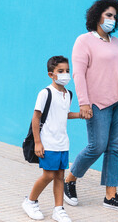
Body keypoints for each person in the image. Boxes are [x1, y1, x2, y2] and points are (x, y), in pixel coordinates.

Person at [63, 0, 118, 214]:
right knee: (97, 146)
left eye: (115, 16)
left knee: (115, 148)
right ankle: (70, 179)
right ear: (97, 16)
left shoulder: (117, 42)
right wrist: (84, 103)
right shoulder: (83, 41)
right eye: (108, 15)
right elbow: (79, 74)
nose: (112, 19)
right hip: (98, 103)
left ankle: (111, 196)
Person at [22, 56, 80, 222]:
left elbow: (64, 115)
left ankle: (58, 209)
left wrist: (81, 115)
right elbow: (36, 118)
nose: (65, 74)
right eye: (60, 71)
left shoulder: (68, 94)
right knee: (48, 175)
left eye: (67, 71)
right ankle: (30, 201)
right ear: (51, 74)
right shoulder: (45, 93)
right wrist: (38, 142)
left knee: (60, 176)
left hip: (63, 142)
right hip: (48, 142)